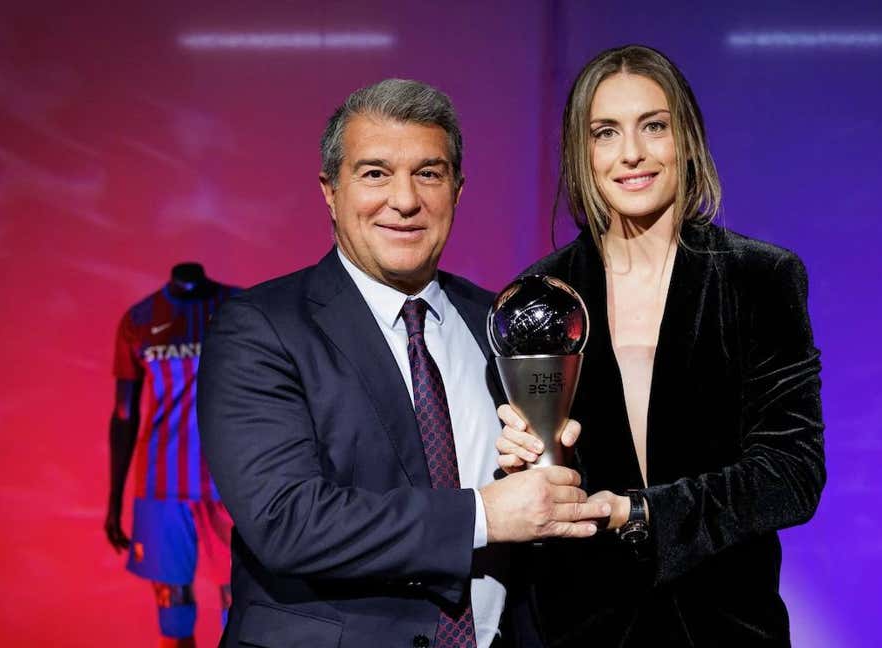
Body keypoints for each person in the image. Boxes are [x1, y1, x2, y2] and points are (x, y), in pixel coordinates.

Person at [197, 79, 609, 648]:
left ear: (458, 190)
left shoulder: (496, 319)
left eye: (429, 173)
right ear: (329, 191)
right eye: (374, 173)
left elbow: (546, 510)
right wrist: (483, 516)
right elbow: (286, 520)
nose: (405, 200)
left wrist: (550, 468)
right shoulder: (261, 327)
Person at [495, 45, 826, 646]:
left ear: (687, 139)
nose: (631, 154)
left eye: (653, 126)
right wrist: (533, 465)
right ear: (581, 152)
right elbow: (541, 494)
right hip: (586, 630)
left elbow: (792, 474)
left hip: (727, 628)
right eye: (605, 133)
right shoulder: (541, 300)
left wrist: (643, 515)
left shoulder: (759, 278)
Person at [107, 262, 240, 648]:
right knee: (172, 601)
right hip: (161, 483)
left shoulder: (241, 306)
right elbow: (123, 413)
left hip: (230, 483)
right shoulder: (140, 319)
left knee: (241, 596)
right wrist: (114, 500)